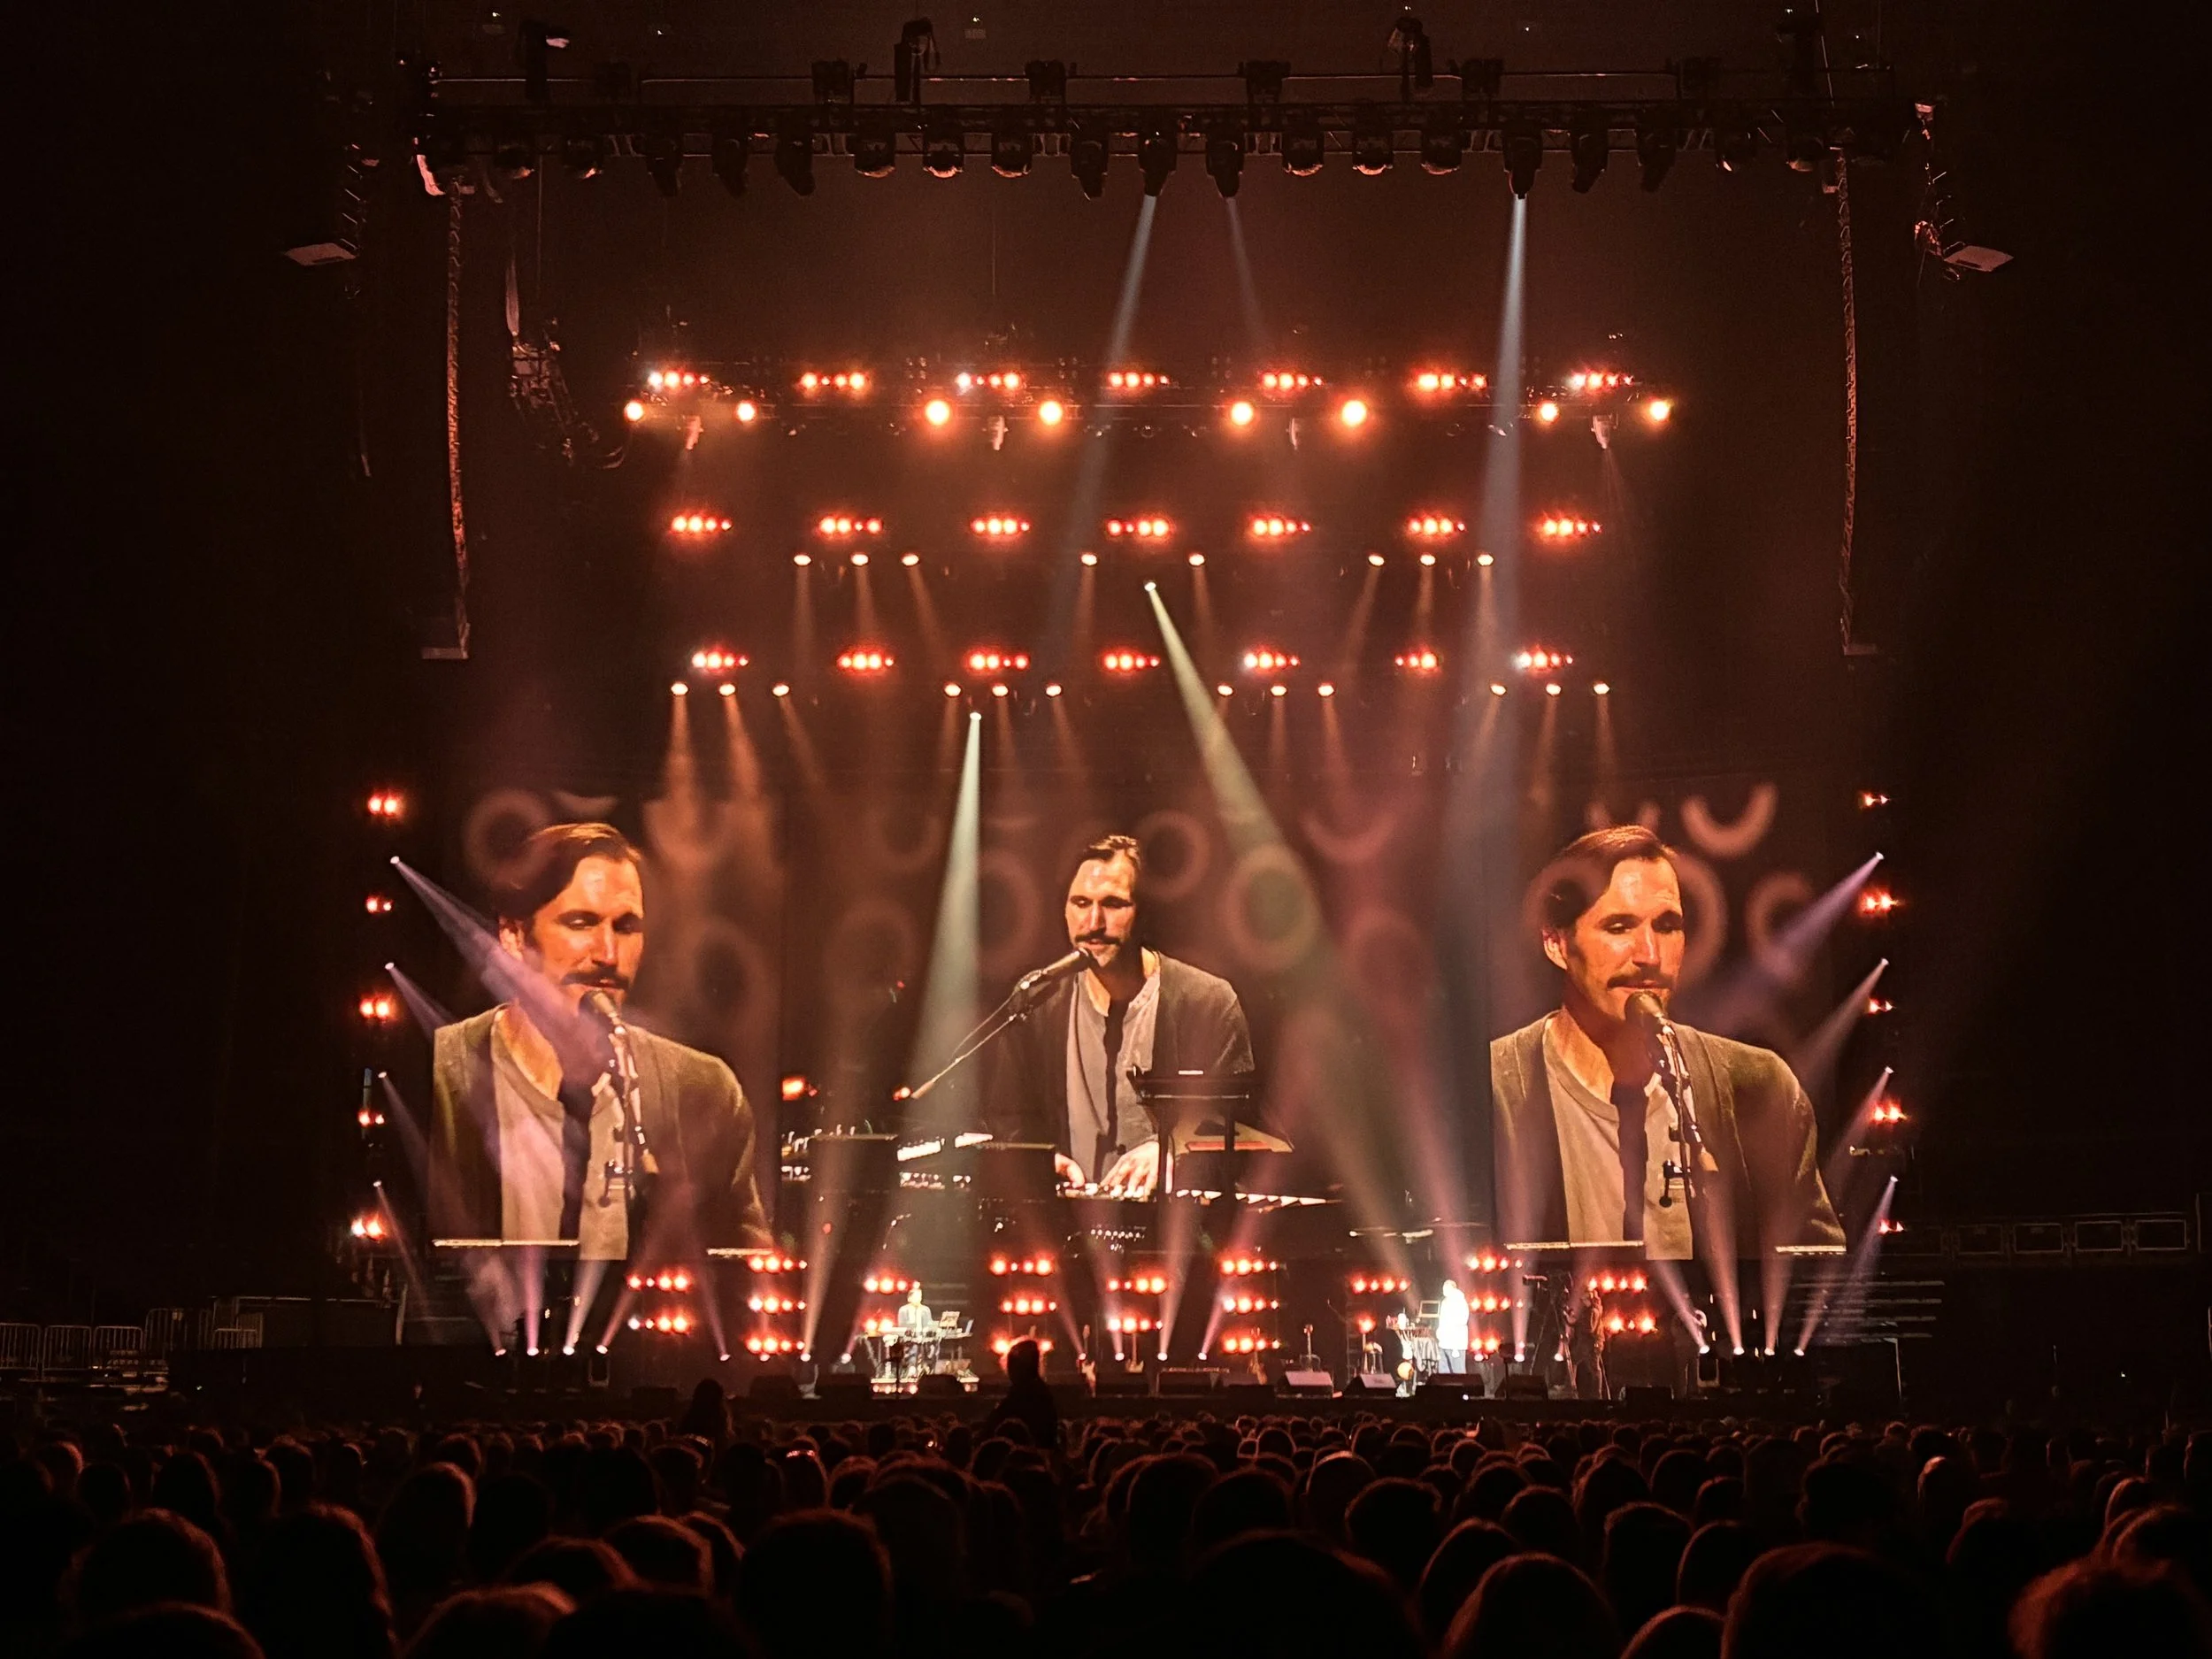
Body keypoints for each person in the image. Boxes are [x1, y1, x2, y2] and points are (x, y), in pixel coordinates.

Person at [1491, 825, 1841, 1260]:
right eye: (1619, 926)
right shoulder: (1496, 1086)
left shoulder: (1759, 1085)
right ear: (1557, 943)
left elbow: (1820, 1278)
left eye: (1668, 926)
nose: (1650, 955)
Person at [427, 822, 770, 1258]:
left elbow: (749, 1272)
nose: (608, 954)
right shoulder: (440, 1073)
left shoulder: (704, 1091)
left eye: (626, 927)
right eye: (581, 923)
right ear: (513, 935)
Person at [987, 834, 1253, 1197]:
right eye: (1081, 903)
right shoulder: (1038, 1000)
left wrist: (1171, 1152)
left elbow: (1238, 1126)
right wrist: (1040, 1161)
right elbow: (1007, 1118)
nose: (1093, 922)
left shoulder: (1207, 1002)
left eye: (1113, 904)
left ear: (1144, 912)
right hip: (1068, 1216)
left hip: (1175, 1216)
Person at [1435, 1280, 1470, 1374]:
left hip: (1455, 1344)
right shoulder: (1445, 1302)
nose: (1444, 1289)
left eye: (1446, 1287)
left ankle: (1460, 1384)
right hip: (1444, 1343)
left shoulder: (1460, 1301)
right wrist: (1440, 1332)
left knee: (1458, 1371)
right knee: (1444, 1371)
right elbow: (1442, 1320)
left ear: (1453, 1288)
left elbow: (1462, 1320)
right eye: (1444, 1287)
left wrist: (1450, 1330)